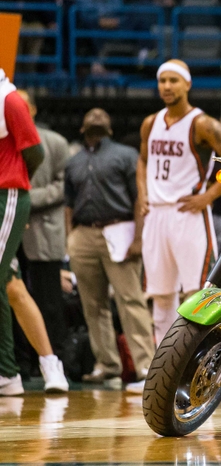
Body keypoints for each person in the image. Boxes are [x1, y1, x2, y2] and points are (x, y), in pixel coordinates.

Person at [138, 60, 221, 345]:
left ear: (187, 84)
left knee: (197, 291)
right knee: (161, 294)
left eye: (173, 80)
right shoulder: (150, 123)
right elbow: (142, 161)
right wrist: (143, 193)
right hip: (157, 215)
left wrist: (209, 195)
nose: (167, 86)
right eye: (162, 81)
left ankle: (198, 358)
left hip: (189, 215)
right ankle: (164, 364)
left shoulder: (202, 123)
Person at [65, 108, 154, 392]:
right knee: (92, 304)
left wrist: (139, 238)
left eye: (103, 114)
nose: (97, 115)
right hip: (84, 234)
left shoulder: (125, 156)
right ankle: (107, 364)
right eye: (91, 114)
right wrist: (70, 239)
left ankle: (144, 365)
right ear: (82, 127)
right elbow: (68, 205)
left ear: (110, 127)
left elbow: (140, 198)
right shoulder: (73, 161)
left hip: (120, 230)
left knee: (130, 300)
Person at [0, 76, 68, 397]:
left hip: (8, 195)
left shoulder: (11, 100)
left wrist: (15, 182)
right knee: (11, 285)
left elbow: (35, 154)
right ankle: (38, 365)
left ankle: (19, 368)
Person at [18, 91, 70, 358]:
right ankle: (20, 362)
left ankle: (57, 358)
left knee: (49, 301)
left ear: (34, 110)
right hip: (10, 231)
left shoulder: (55, 142)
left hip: (42, 230)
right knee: (12, 299)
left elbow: (64, 187)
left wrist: (24, 198)